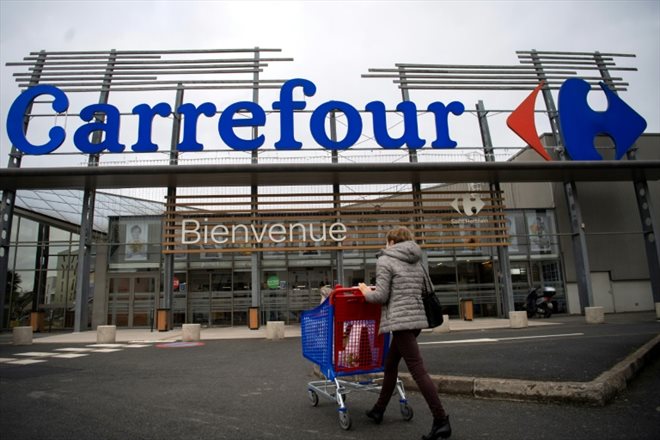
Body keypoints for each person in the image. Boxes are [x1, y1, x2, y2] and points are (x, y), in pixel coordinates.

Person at [358, 226, 451, 440]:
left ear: (391, 241)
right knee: (391, 365)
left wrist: (364, 291)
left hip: (401, 322)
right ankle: (379, 409)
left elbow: (380, 296)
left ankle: (441, 420)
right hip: (417, 320)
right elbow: (426, 290)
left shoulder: (385, 259)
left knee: (418, 370)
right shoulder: (416, 260)